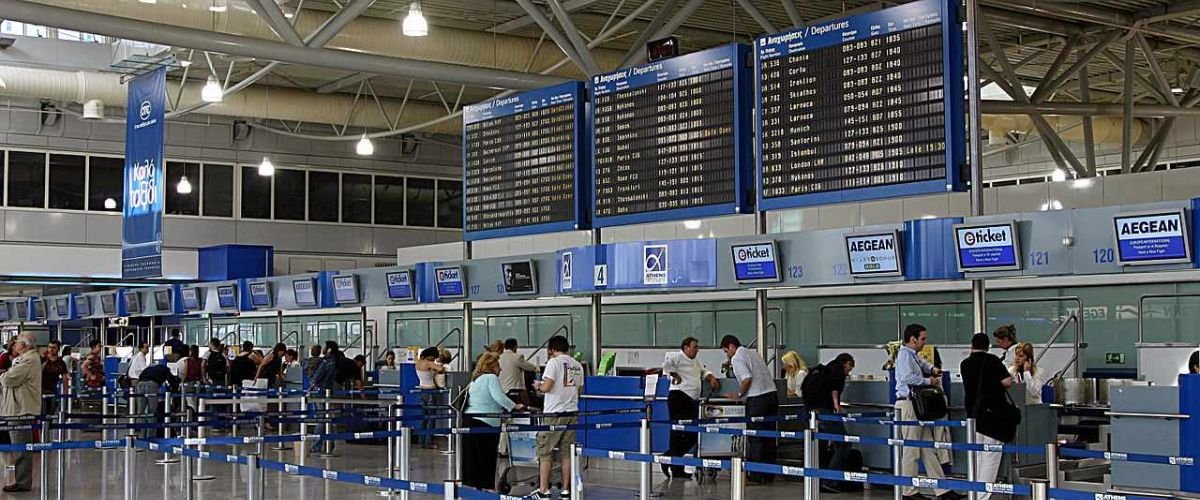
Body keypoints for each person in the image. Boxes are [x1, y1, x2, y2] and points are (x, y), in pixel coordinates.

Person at [895, 324, 962, 500]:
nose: (925, 342)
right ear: (912, 339)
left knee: (927, 449)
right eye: (923, 338)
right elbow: (907, 377)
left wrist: (933, 369)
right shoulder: (903, 355)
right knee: (911, 450)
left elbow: (922, 364)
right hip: (909, 405)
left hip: (917, 407)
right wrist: (928, 380)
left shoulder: (912, 355)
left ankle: (941, 489)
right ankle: (908, 491)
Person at [961, 333, 1016, 500]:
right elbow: (1007, 381)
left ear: (972, 345)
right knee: (990, 458)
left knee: (976, 456)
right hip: (993, 415)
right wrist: (994, 385)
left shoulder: (965, 364)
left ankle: (973, 492)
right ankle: (982, 496)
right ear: (988, 346)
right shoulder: (992, 361)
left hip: (973, 415)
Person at [721, 335, 778, 485]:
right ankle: (769, 475)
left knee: (756, 437)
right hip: (772, 396)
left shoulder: (737, 358)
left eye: (726, 351)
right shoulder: (753, 353)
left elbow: (746, 379)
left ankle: (756, 476)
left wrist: (738, 394)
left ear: (732, 346)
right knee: (770, 437)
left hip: (757, 399)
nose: (727, 354)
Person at [660, 336, 720, 479]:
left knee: (692, 433)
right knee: (678, 433)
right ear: (686, 347)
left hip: (691, 401)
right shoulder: (677, 357)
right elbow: (666, 366)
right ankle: (673, 463)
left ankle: (670, 459)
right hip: (679, 397)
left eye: (697, 347)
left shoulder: (695, 362)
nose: (697, 349)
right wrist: (675, 375)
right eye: (694, 347)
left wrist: (711, 378)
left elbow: (703, 372)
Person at [462, 352, 523, 491]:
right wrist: (515, 406)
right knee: (486, 457)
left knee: (473, 458)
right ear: (491, 367)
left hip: (470, 420)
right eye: (498, 366)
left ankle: (476, 487)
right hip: (486, 422)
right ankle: (486, 486)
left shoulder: (475, 380)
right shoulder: (491, 377)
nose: (500, 369)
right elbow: (499, 397)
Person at [532, 335, 583, 500]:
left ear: (552, 350)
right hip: (572, 412)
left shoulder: (553, 363)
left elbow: (547, 387)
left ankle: (544, 490)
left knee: (545, 451)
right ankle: (566, 490)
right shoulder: (577, 365)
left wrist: (538, 386)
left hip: (554, 413)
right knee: (567, 453)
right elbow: (579, 390)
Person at [802, 353, 855, 492]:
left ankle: (817, 479)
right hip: (825, 411)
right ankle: (830, 481)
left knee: (820, 445)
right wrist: (837, 405)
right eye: (850, 368)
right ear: (846, 363)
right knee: (844, 443)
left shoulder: (823, 369)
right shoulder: (837, 368)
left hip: (813, 411)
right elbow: (834, 388)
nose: (849, 372)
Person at [1, 334, 41, 493]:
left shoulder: (29, 360)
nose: (14, 345)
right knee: (18, 446)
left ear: (24, 345)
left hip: (21, 409)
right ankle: (21, 480)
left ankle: (23, 481)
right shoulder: (24, 359)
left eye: (16, 342)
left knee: (21, 447)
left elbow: (9, 379)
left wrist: (3, 375)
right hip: (16, 408)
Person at [136, 362, 181, 440]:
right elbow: (172, 381)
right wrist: (174, 389)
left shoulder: (149, 368)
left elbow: (140, 376)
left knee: (141, 412)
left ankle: (141, 436)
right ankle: (151, 437)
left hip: (139, 384)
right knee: (152, 411)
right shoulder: (166, 370)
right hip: (152, 385)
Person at [499, 338, 538, 405]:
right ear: (515, 347)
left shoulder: (499, 357)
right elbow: (531, 368)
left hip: (501, 391)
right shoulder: (517, 357)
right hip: (515, 392)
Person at [41, 340, 70, 416]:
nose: (51, 349)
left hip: (52, 391)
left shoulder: (61, 363)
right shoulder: (42, 360)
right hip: (41, 390)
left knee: (51, 412)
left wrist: (65, 393)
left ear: (58, 349)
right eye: (49, 347)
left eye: (53, 348)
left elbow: (65, 378)